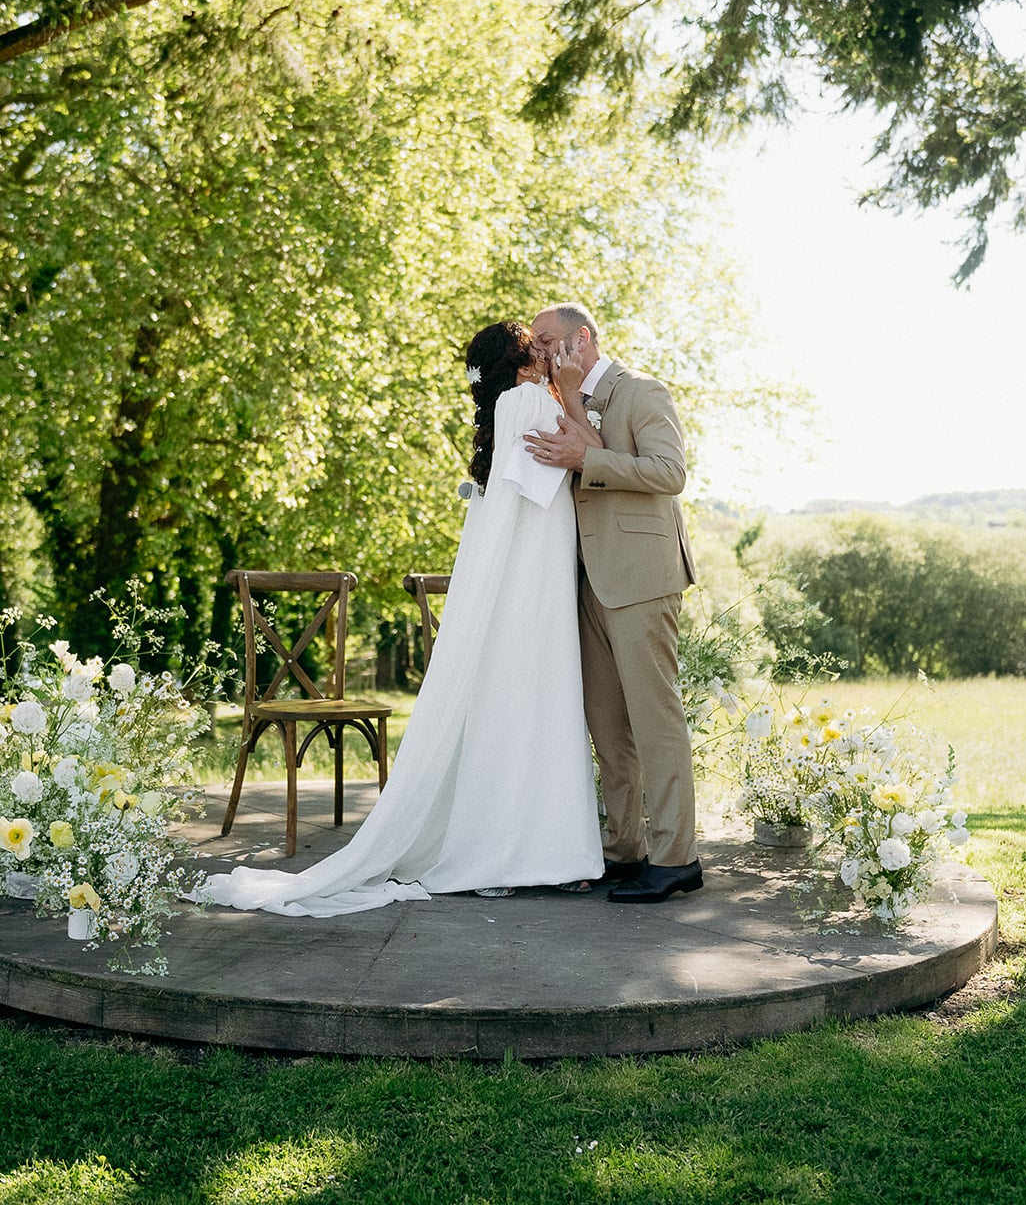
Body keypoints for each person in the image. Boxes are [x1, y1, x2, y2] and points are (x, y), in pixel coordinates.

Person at [197, 321, 604, 916]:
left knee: (521, 714)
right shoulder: (526, 403)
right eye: (538, 350)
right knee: (537, 710)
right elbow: (588, 455)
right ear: (519, 364)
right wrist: (568, 390)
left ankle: (529, 852)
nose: (550, 356)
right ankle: (528, 855)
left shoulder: (508, 411)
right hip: (531, 595)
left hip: (529, 587)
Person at [525, 303, 702, 904]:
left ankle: (676, 857)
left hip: (643, 577)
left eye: (547, 340)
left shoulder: (642, 391)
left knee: (655, 721)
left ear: (583, 338)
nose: (540, 351)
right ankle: (623, 850)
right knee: (606, 726)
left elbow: (669, 472)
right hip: (586, 583)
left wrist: (587, 459)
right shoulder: (558, 400)